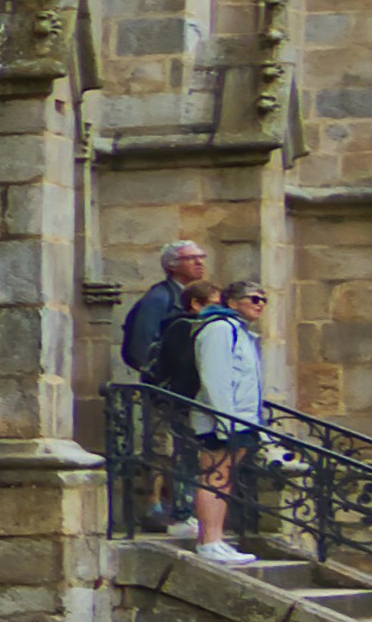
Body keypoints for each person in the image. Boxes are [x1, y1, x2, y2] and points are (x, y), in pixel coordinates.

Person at [116, 241, 213, 533]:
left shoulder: (184, 297)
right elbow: (140, 347)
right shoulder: (158, 298)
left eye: (201, 257)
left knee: (182, 449)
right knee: (161, 450)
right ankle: (155, 508)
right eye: (191, 258)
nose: (199, 262)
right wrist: (162, 379)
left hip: (185, 392)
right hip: (165, 392)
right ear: (172, 264)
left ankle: (180, 509)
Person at [188, 280, 271, 564]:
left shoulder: (242, 333)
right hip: (221, 420)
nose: (259, 304)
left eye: (263, 299)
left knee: (225, 479)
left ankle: (216, 537)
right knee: (215, 476)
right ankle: (209, 541)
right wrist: (226, 421)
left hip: (243, 418)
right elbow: (216, 379)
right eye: (253, 298)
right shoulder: (220, 329)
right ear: (232, 302)